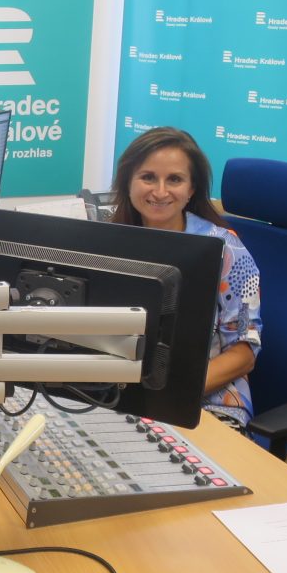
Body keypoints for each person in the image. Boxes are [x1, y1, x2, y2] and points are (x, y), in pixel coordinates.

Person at [109, 126, 262, 431]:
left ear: (192, 189)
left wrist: (166, 393)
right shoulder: (106, 242)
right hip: (121, 396)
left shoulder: (228, 250)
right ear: (128, 183)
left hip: (207, 404)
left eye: (174, 180)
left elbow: (245, 353)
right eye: (148, 177)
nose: (160, 191)